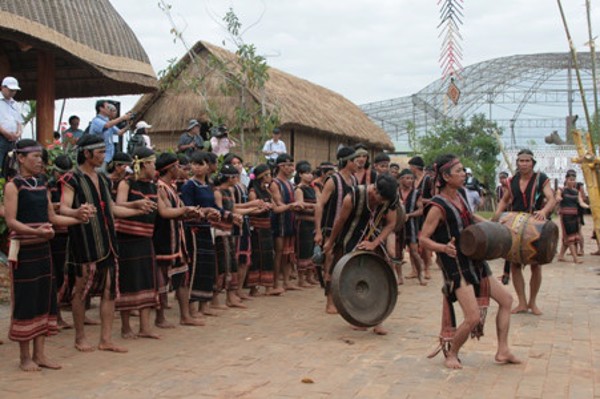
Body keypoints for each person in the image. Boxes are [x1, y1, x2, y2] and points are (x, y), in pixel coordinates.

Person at [420, 153, 521, 370]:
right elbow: (423, 238)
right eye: (458, 171)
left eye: (463, 170)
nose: (464, 174)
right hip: (456, 265)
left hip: (474, 258)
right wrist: (443, 248)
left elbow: (472, 218)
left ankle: (503, 350)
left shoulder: (462, 195)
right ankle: (452, 353)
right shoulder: (437, 206)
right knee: (473, 317)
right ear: (446, 176)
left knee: (506, 300)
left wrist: (497, 228)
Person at [60, 134, 152, 353]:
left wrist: (135, 207)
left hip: (108, 240)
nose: (103, 156)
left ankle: (105, 339)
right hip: (84, 241)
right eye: (100, 152)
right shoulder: (71, 179)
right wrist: (77, 212)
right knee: (81, 290)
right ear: (86, 153)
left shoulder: (103, 179)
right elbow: (63, 208)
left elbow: (110, 208)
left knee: (110, 289)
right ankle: (80, 337)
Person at [3, 139, 84, 371]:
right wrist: (35, 231)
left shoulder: (41, 184)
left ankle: (40, 354)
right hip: (24, 252)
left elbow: (53, 217)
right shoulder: (13, 186)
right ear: (20, 158)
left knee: (44, 299)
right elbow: (11, 221)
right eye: (34, 156)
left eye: (41, 156)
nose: (40, 161)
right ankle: (25, 357)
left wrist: (78, 217)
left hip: (43, 251)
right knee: (27, 301)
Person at [323, 174, 399, 335]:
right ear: (375, 189)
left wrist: (374, 243)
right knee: (344, 277)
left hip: (373, 239)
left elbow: (391, 224)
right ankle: (359, 317)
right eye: (380, 198)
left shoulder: (392, 198)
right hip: (349, 239)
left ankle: (378, 320)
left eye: (384, 200)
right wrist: (330, 242)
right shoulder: (353, 197)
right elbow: (340, 221)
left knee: (379, 278)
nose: (381, 202)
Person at [493, 149, 556, 315]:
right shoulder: (511, 181)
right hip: (514, 225)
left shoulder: (540, 179)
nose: (524, 163)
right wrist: (498, 214)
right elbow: (504, 200)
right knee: (515, 264)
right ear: (517, 163)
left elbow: (551, 199)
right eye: (521, 161)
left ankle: (532, 302)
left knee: (536, 266)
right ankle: (521, 302)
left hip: (535, 226)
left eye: (527, 161)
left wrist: (543, 212)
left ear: (533, 163)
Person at [153, 152, 205, 327]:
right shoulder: (159, 187)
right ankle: (160, 318)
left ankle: (185, 315)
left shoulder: (171, 187)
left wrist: (194, 212)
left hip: (177, 239)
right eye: (177, 166)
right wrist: (186, 211)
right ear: (170, 168)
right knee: (161, 280)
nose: (181, 169)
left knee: (182, 276)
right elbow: (165, 212)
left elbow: (180, 210)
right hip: (164, 240)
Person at [115, 147, 161, 340]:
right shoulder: (127, 183)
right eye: (152, 163)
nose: (155, 167)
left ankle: (145, 327)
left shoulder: (153, 186)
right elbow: (118, 205)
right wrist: (137, 205)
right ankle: (126, 327)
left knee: (147, 281)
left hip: (146, 239)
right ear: (144, 164)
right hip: (127, 239)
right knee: (128, 282)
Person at [314, 146, 358, 313]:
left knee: (345, 264)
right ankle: (329, 302)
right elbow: (319, 205)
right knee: (330, 264)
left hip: (347, 230)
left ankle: (342, 300)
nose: (359, 163)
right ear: (347, 162)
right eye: (355, 160)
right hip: (331, 229)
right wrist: (318, 231)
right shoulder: (333, 180)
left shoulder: (353, 181)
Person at [270, 154, 304, 291]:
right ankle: (275, 283)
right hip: (279, 221)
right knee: (279, 252)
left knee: (289, 252)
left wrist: (297, 205)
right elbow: (278, 203)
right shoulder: (275, 183)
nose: (291, 168)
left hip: (289, 219)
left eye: (291, 165)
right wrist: (292, 205)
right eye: (288, 165)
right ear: (281, 166)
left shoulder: (289, 184)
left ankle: (286, 281)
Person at [398, 169, 427, 286]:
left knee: (414, 252)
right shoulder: (396, 192)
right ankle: (399, 277)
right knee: (397, 253)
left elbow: (421, 210)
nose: (410, 181)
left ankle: (420, 275)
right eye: (407, 178)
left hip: (411, 226)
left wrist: (409, 215)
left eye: (411, 178)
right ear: (401, 179)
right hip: (398, 226)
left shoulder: (416, 193)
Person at [294, 161, 319, 287]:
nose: (310, 176)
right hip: (303, 223)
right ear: (300, 174)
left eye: (311, 173)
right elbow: (300, 205)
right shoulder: (299, 189)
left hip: (312, 223)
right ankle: (301, 279)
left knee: (311, 250)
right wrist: (314, 207)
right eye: (307, 173)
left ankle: (309, 276)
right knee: (303, 250)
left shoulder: (312, 188)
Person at [408, 155, 433, 278]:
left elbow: (434, 198)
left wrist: (423, 200)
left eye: (410, 166)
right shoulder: (411, 180)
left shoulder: (427, 179)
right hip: (415, 215)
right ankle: (414, 269)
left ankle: (427, 268)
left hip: (426, 215)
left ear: (414, 167)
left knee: (425, 241)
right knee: (412, 243)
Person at [556, 171, 589, 264]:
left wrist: (590, 206)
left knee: (572, 237)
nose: (572, 182)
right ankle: (575, 258)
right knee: (570, 238)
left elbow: (581, 202)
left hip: (575, 216)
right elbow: (557, 197)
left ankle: (561, 256)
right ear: (566, 180)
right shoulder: (561, 190)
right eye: (570, 180)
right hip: (565, 216)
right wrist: (558, 198)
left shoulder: (576, 192)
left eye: (574, 180)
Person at [0, 76, 23, 174]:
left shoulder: (15, 104)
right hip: (1, 137)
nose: (13, 92)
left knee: (10, 165)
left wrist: (18, 133)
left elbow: (19, 121)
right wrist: (5, 133)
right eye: (10, 90)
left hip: (12, 139)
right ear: (3, 87)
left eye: (14, 90)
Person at [495, 171, 512, 285]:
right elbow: (501, 201)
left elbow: (509, 201)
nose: (502, 180)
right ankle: (506, 273)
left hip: (512, 215)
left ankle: (507, 273)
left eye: (504, 178)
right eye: (500, 178)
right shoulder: (499, 189)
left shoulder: (512, 187)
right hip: (503, 215)